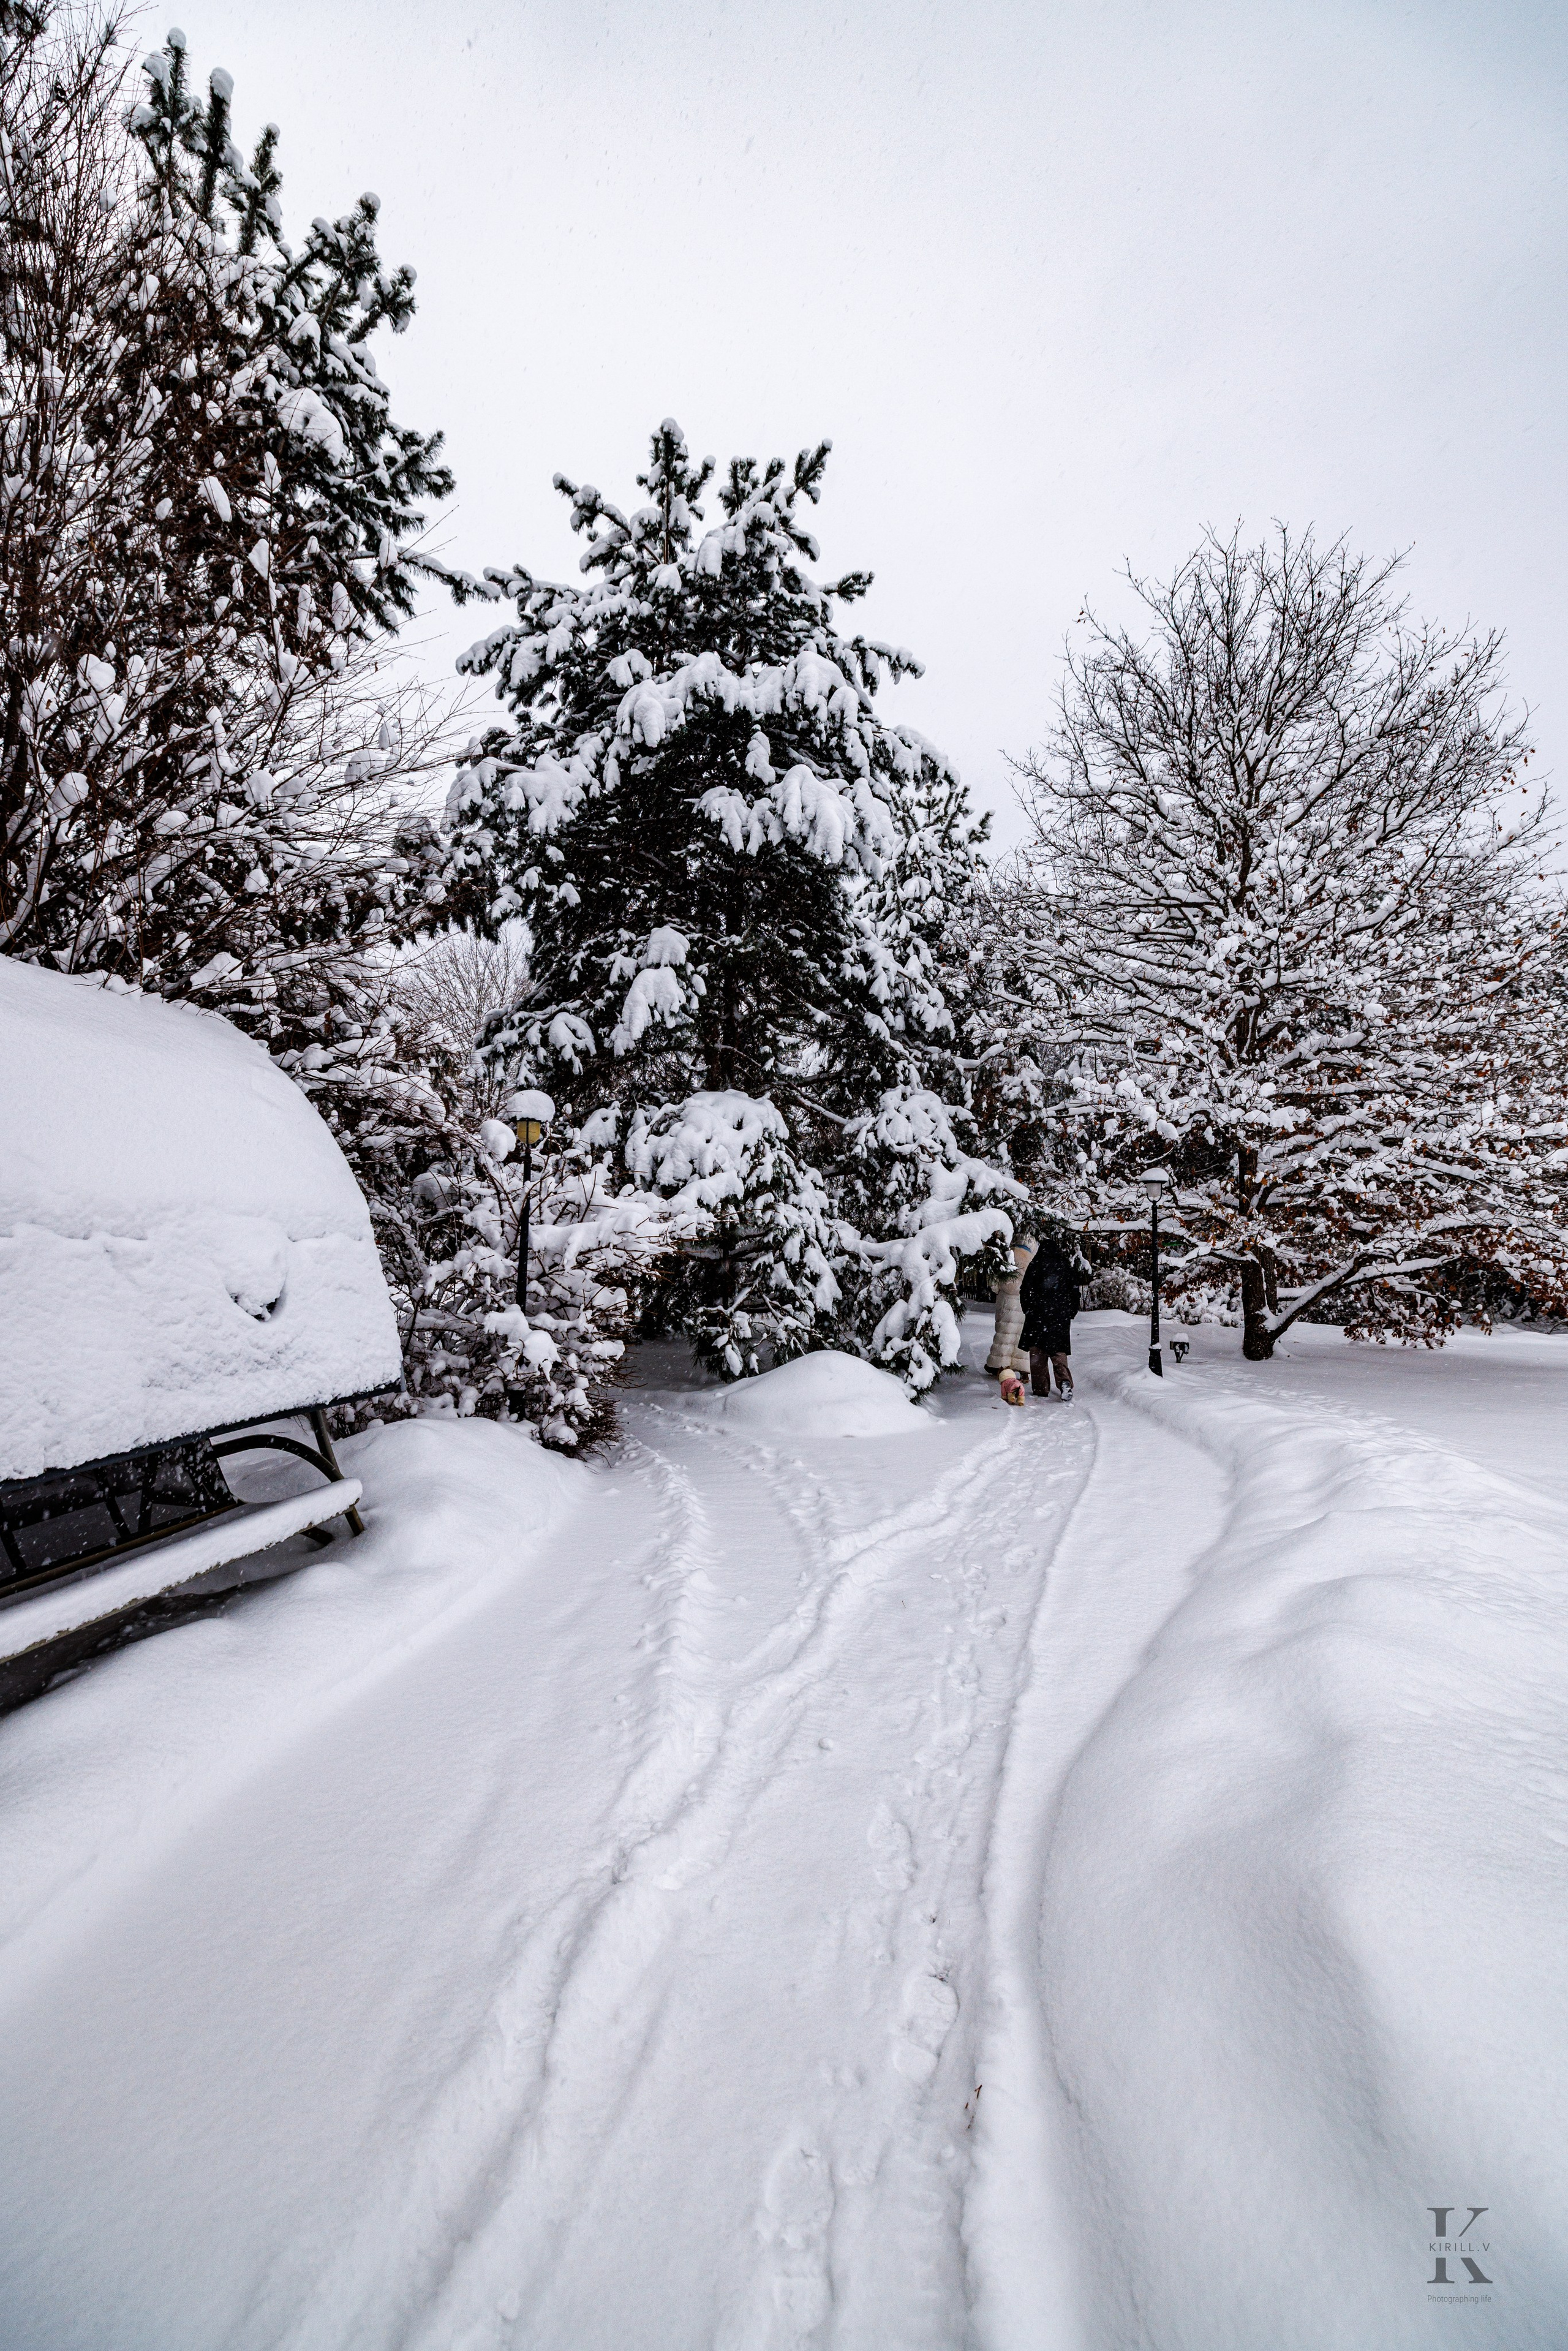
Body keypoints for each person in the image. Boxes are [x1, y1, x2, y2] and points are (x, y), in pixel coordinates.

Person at [1019, 1234, 1080, 1399]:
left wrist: (1028, 1310)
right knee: (1058, 1352)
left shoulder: (1035, 1265)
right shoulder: (1065, 1266)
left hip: (1037, 1317)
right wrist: (1070, 1312)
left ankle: (1041, 1388)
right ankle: (1064, 1382)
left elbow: (1025, 1290)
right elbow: (1075, 1291)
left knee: (1037, 1353)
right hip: (1059, 1318)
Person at [984, 1236, 1036, 1380]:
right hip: (1025, 1303)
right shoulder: (1032, 1260)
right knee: (1020, 1336)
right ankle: (1023, 1370)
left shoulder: (1008, 1256)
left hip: (1007, 1301)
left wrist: (996, 1289)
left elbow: (996, 1281)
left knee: (1004, 1334)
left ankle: (1001, 1366)